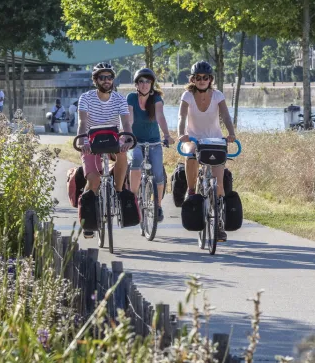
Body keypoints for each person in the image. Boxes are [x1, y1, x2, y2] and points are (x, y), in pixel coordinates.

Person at [178, 61, 236, 243]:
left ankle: (218, 226)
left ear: (210, 79)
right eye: (198, 78)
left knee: (219, 185)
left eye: (205, 78)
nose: (201, 80)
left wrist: (231, 133)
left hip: (215, 139)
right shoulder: (187, 95)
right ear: (193, 79)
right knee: (190, 154)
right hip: (194, 138)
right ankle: (191, 189)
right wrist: (182, 134)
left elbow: (225, 116)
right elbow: (182, 116)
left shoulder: (217, 95)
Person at [77, 62, 133, 238]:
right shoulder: (85, 98)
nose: (106, 80)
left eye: (109, 77)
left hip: (113, 141)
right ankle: (89, 218)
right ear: (96, 80)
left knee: (123, 154)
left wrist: (128, 138)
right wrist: (82, 141)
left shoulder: (119, 99)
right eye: (102, 77)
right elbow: (83, 122)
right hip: (91, 144)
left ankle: (118, 190)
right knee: (93, 181)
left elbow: (126, 123)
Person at [127, 68, 172, 223]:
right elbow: (130, 118)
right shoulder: (131, 98)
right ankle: (132, 200)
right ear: (136, 84)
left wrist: (166, 135)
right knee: (136, 160)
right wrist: (127, 135)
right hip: (136, 141)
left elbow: (160, 116)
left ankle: (158, 205)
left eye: (147, 82)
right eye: (141, 81)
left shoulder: (157, 98)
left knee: (158, 173)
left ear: (152, 84)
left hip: (154, 141)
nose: (144, 85)